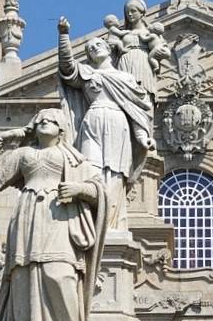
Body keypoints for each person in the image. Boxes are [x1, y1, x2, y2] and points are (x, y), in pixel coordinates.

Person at [0, 108, 105, 321]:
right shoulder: (24, 155)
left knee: (60, 276)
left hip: (61, 219)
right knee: (25, 278)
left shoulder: (76, 160)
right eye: (41, 119)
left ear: (62, 129)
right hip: (29, 217)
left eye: (52, 120)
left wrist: (80, 189)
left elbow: (100, 189)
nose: (45, 121)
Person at [57, 17, 154, 229]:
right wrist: (64, 36)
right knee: (89, 171)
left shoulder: (126, 79)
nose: (94, 48)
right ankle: (90, 224)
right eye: (90, 48)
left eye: (98, 44)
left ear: (109, 49)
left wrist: (142, 137)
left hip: (118, 125)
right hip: (92, 124)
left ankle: (110, 226)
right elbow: (67, 68)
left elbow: (137, 111)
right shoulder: (87, 73)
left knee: (114, 175)